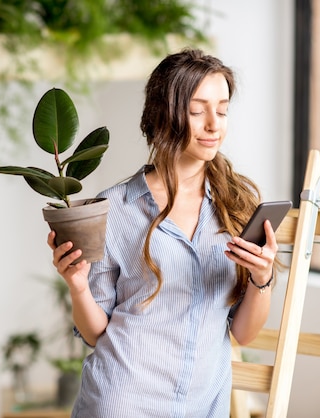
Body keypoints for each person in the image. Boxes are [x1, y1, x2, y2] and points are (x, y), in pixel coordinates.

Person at [47, 48, 277, 418]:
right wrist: (77, 286)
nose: (213, 124)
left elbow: (243, 334)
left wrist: (261, 278)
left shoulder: (236, 205)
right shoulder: (115, 208)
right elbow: (95, 334)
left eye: (222, 110)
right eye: (198, 110)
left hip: (204, 405)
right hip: (123, 401)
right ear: (166, 113)